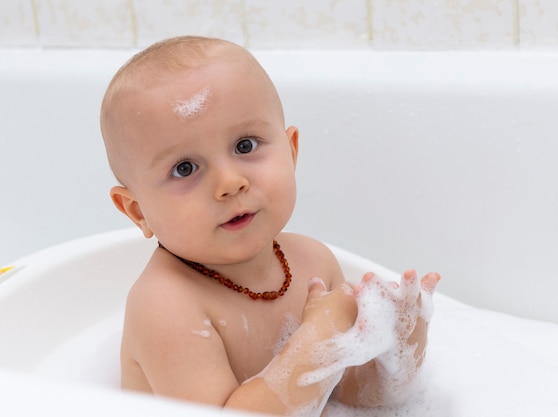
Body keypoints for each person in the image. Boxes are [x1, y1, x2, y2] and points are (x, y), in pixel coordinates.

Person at [100, 36, 440, 416]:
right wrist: (317, 341)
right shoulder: (166, 306)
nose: (230, 183)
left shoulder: (312, 261)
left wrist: (403, 348)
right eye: (185, 168)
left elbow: (350, 392)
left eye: (245, 146)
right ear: (137, 211)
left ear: (291, 151)